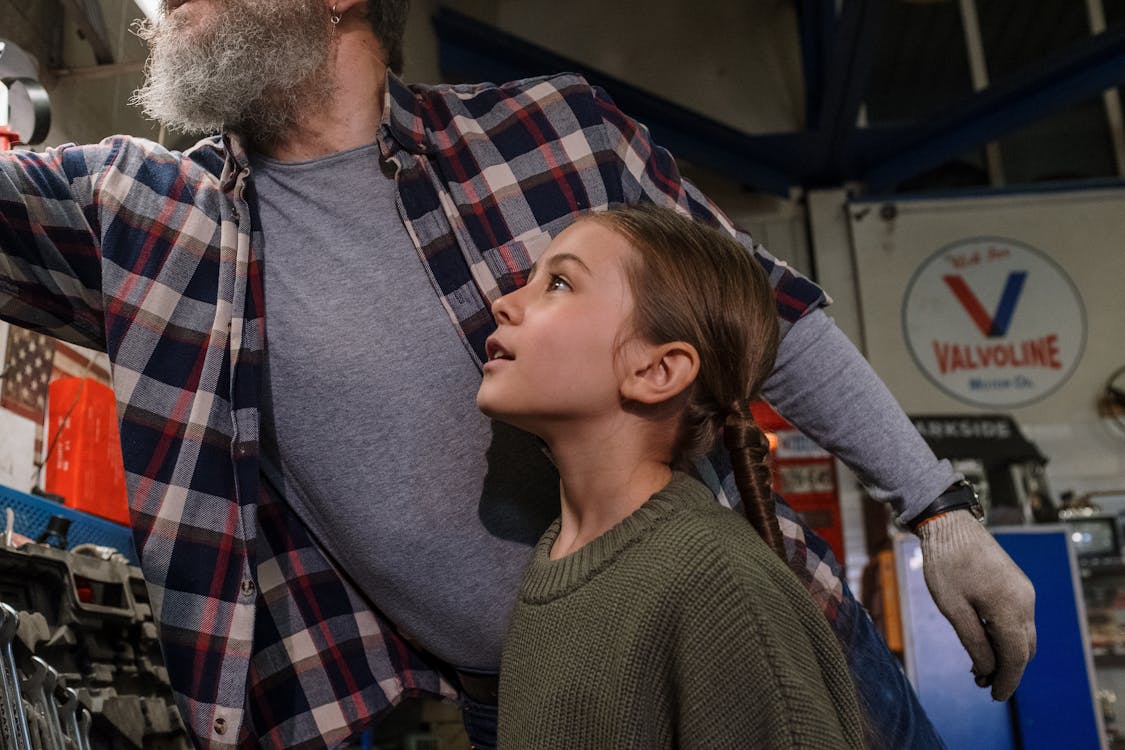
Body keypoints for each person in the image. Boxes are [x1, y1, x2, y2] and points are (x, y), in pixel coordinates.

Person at [0, 0, 1034, 748]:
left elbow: (767, 315)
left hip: (752, 623)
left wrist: (939, 509)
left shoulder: (551, 129)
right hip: (524, 700)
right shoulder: (139, 215)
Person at [480, 204, 866, 749]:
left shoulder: (714, 581)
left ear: (656, 371)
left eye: (559, 283)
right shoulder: (554, 562)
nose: (503, 304)